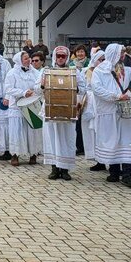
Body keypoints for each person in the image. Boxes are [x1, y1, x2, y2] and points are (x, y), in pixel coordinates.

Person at [92, 41, 131, 189]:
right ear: (113, 54)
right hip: (108, 112)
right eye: (121, 53)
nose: (123, 56)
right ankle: (114, 171)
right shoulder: (100, 71)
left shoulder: (126, 71)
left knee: (127, 141)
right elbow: (97, 89)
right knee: (113, 141)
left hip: (125, 112)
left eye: (124, 53)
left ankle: (128, 174)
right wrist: (116, 96)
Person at [42, 46, 80, 179]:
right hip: (51, 109)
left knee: (67, 139)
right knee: (52, 139)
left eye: (63, 56)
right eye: (58, 56)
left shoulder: (74, 71)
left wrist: (76, 89)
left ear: (67, 57)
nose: (60, 58)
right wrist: (42, 85)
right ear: (54, 57)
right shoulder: (47, 71)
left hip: (67, 110)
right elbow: (36, 88)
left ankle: (65, 169)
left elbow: (84, 87)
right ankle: (54, 168)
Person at [4, 50, 42, 167]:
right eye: (25, 58)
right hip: (17, 106)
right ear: (19, 60)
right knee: (17, 130)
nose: (28, 60)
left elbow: (39, 84)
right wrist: (23, 92)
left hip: (31, 104)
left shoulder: (35, 72)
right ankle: (15, 154)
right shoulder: (12, 73)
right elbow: (9, 89)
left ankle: (33, 153)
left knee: (32, 129)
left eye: (28, 58)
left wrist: (35, 91)